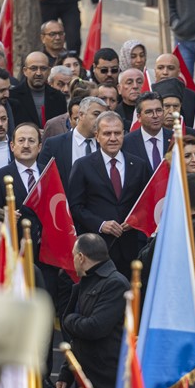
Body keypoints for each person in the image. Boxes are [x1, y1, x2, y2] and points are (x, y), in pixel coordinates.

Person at [56, 233, 130, 388]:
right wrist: (67, 372)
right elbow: (78, 337)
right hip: (86, 382)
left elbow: (95, 327)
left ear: (81, 257)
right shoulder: (86, 282)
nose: (72, 260)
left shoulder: (115, 283)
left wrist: (68, 320)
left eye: (74, 255)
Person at [69, 111, 150, 275]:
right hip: (97, 249)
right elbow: (75, 206)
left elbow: (148, 202)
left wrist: (135, 220)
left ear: (124, 134)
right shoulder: (83, 166)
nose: (113, 138)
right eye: (107, 133)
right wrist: (101, 224)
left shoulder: (139, 165)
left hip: (132, 248)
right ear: (97, 136)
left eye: (117, 133)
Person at [40, 96, 106, 194]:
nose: (101, 121)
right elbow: (43, 181)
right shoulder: (54, 145)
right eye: (96, 114)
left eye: (103, 117)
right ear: (81, 115)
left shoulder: (106, 145)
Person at [9, 52, 67, 128]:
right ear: (25, 71)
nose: (38, 73)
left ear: (49, 71)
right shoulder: (13, 96)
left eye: (43, 68)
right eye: (34, 68)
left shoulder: (59, 97)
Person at [122, 91, 171, 173]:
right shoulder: (126, 142)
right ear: (139, 117)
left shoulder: (175, 139)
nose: (155, 116)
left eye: (159, 110)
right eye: (149, 112)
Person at [153, 53, 195, 124]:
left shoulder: (193, 98)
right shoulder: (147, 95)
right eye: (160, 68)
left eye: (170, 68)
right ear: (155, 71)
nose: (165, 72)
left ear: (178, 72)